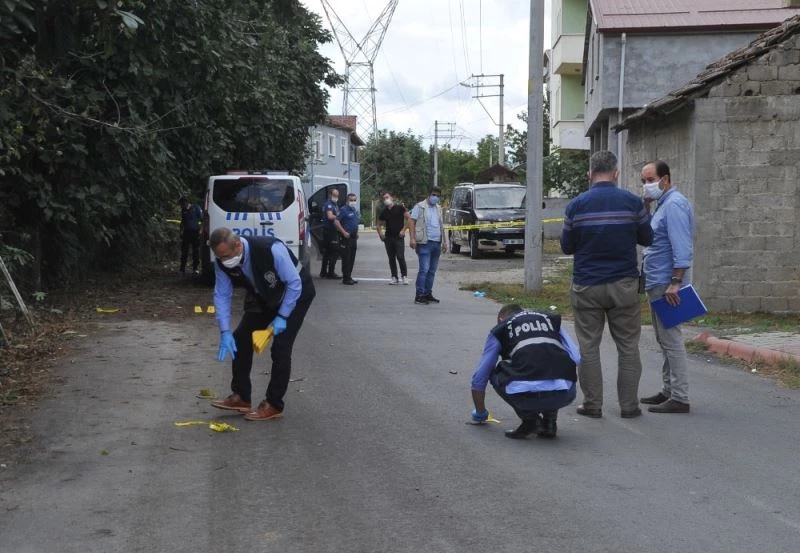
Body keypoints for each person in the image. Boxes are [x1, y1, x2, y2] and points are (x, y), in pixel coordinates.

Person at [560, 150, 653, 419]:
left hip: (587, 285)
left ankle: (592, 404)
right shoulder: (632, 203)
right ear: (616, 173)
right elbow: (647, 238)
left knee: (588, 346)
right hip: (623, 284)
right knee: (628, 346)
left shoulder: (576, 205)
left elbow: (566, 247)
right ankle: (629, 406)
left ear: (589, 174)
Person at [209, 227, 315, 421]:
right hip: (265, 296)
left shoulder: (271, 249)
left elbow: (294, 283)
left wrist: (282, 316)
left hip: (296, 294)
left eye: (227, 256)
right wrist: (224, 331)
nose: (225, 261)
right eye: (220, 257)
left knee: (280, 348)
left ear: (238, 245)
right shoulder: (222, 261)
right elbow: (222, 295)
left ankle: (274, 404)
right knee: (240, 337)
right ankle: (241, 396)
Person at [470, 304, 579, 439]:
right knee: (555, 366)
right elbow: (577, 357)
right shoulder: (550, 319)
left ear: (501, 319)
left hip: (525, 398)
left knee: (493, 371)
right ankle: (550, 422)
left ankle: (530, 420)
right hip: (565, 395)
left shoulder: (501, 329)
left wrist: (480, 413)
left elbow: (479, 378)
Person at [639, 160, 694, 414]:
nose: (647, 185)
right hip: (656, 280)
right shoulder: (662, 205)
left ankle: (680, 397)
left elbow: (681, 246)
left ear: (666, 179)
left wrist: (676, 282)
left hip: (666, 282)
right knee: (663, 338)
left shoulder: (675, 205)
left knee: (671, 339)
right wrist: (646, 206)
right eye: (644, 181)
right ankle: (669, 390)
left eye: (651, 180)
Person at [408, 186, 449, 305]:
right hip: (424, 242)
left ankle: (427, 293)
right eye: (433, 195)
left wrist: (445, 241)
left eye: (438, 195)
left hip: (437, 242)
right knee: (424, 270)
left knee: (432, 271)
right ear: (429, 195)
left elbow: (442, 225)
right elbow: (411, 221)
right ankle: (419, 295)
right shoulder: (420, 207)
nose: (435, 197)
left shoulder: (438, 208)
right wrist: (412, 238)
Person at [376, 192, 410, 285]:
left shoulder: (400, 208)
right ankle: (394, 277)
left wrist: (403, 230)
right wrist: (380, 234)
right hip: (388, 238)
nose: (386, 199)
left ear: (392, 197)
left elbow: (409, 219)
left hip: (398, 237)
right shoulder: (384, 211)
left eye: (387, 197)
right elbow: (378, 224)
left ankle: (404, 276)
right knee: (391, 258)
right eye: (384, 198)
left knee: (400, 257)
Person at [335, 192, 360, 285]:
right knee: (346, 258)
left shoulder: (353, 209)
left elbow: (354, 222)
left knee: (352, 258)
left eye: (354, 200)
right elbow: (336, 221)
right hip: (346, 237)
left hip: (353, 237)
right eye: (351, 200)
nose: (353, 202)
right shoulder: (343, 210)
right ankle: (346, 278)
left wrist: (356, 232)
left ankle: (349, 276)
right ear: (347, 200)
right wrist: (343, 232)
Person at [319, 189, 341, 279]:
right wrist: (341, 216)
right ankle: (330, 273)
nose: (336, 197)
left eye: (337, 196)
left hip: (331, 231)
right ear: (330, 195)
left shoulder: (334, 204)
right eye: (334, 195)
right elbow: (330, 216)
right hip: (330, 231)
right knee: (334, 252)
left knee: (327, 252)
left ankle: (324, 272)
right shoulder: (329, 204)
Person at [178, 196, 203, 275]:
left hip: (195, 232)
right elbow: (182, 221)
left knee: (195, 251)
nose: (182, 206)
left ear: (186, 202)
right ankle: (182, 269)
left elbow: (203, 220)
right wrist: (180, 231)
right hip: (186, 233)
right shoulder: (183, 210)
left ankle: (195, 269)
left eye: (182, 204)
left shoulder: (196, 208)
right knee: (184, 251)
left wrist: (201, 230)